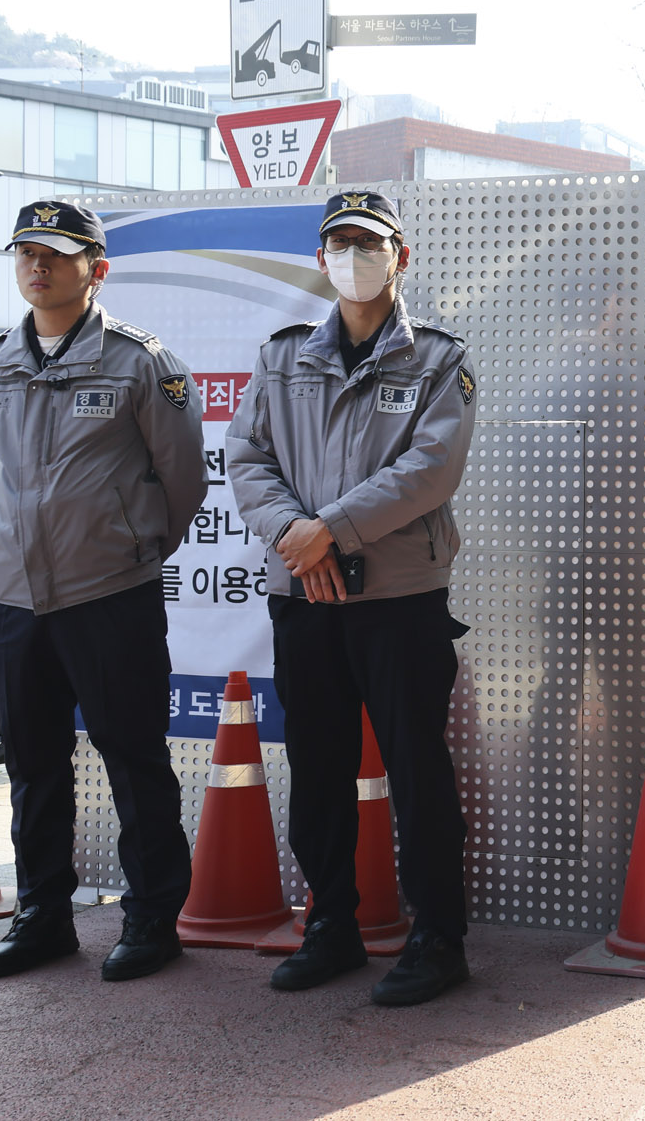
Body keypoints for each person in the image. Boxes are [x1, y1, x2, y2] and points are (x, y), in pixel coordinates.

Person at [227, 190, 476, 1007]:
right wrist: (295, 535)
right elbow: (247, 456)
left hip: (400, 598)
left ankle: (438, 938)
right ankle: (330, 924)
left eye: (369, 241)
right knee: (320, 766)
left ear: (401, 256)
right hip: (305, 592)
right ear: (322, 256)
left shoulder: (439, 359)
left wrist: (326, 528)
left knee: (417, 770)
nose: (352, 255)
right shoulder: (282, 355)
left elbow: (429, 471)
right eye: (338, 241)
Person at [0, 201, 207, 981]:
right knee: (32, 763)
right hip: (14, 598)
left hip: (109, 594)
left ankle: (150, 916)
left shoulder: (142, 362)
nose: (37, 266)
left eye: (56, 254)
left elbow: (182, 482)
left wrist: (126, 548)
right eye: (26, 253)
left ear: (96, 269)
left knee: (133, 756)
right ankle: (41, 913)